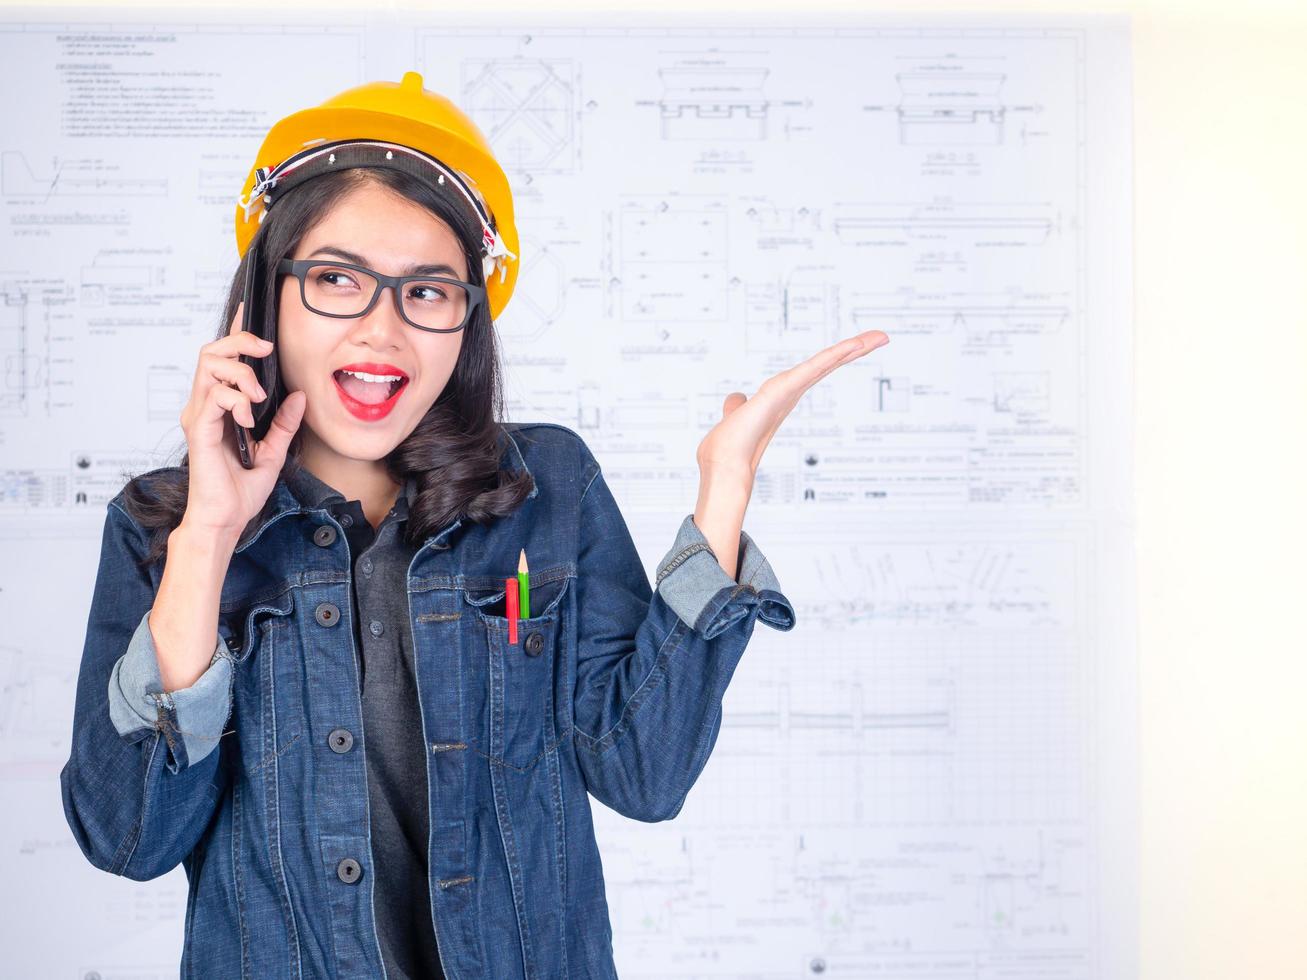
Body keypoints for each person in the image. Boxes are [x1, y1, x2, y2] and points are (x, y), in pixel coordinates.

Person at [59, 72, 889, 979]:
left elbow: (642, 776)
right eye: (337, 280)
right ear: (267, 295)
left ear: (466, 319)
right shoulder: (162, 530)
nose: (382, 331)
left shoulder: (545, 486)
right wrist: (212, 537)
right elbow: (129, 837)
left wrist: (723, 488)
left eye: (426, 291)